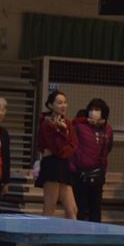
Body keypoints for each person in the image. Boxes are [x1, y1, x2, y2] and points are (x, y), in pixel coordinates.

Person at [35, 90, 78, 219]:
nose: (63, 105)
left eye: (65, 102)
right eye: (59, 103)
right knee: (50, 207)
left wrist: (63, 151)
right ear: (50, 105)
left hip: (64, 165)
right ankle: (42, 231)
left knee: (72, 209)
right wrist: (62, 132)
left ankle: (71, 232)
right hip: (52, 166)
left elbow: (74, 145)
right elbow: (56, 148)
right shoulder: (46, 124)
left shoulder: (68, 123)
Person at [70, 99, 114, 222]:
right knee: (80, 208)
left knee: (96, 209)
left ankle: (95, 232)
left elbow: (108, 148)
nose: (93, 112)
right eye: (91, 109)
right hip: (79, 173)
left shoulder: (108, 129)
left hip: (98, 174)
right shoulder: (80, 126)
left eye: (97, 109)